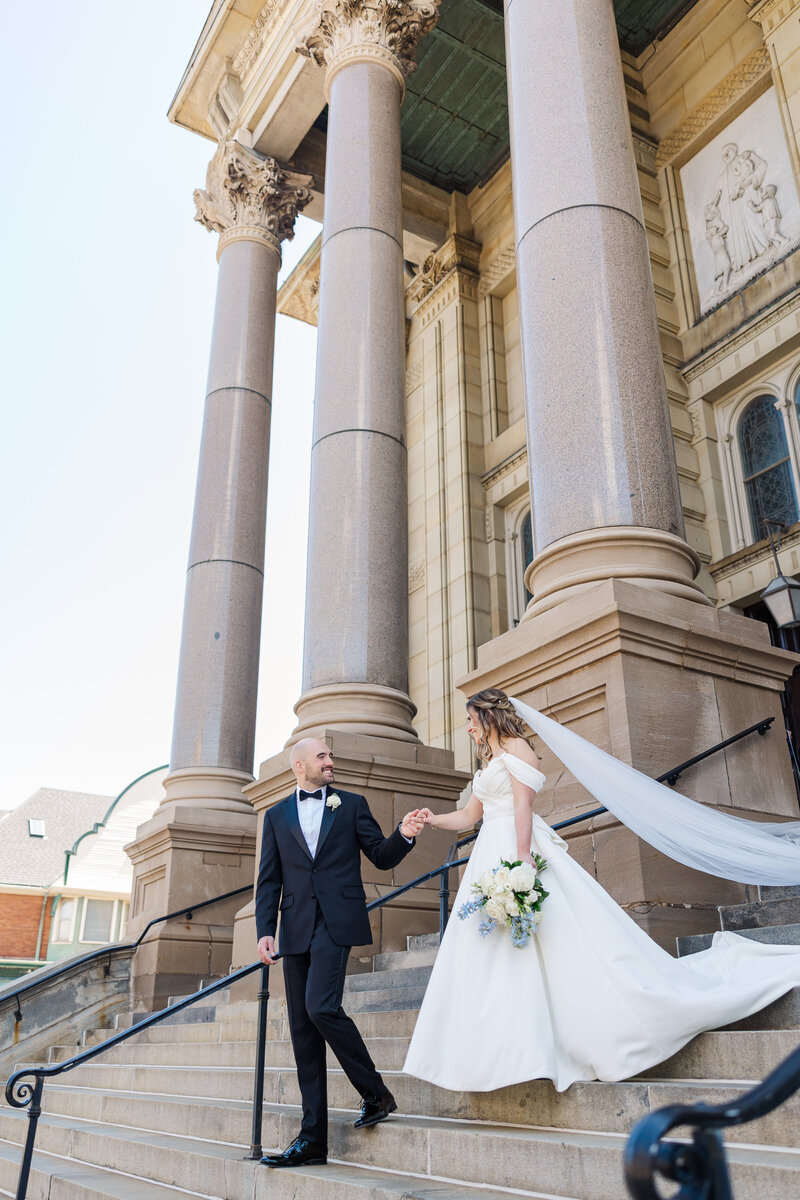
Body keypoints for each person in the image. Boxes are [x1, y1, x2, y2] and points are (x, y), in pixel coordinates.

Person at [404, 689, 800, 1093]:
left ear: (489, 717)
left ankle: (562, 1043)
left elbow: (523, 808)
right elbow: (472, 815)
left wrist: (522, 864)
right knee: (495, 949)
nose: (468, 727)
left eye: (472, 719)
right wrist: (433, 819)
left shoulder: (518, 750)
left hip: (513, 851)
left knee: (553, 943)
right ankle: (507, 1052)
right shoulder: (488, 760)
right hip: (488, 852)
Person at [256, 737, 425, 1166]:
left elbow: (381, 857)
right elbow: (269, 880)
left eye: (330, 756)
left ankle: (375, 1092)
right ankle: (312, 1140)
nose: (330, 762)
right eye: (322, 757)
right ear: (300, 766)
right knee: (302, 1031)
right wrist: (264, 931)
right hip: (294, 928)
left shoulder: (351, 804)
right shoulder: (276, 816)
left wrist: (403, 835)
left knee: (321, 1007)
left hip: (336, 922)